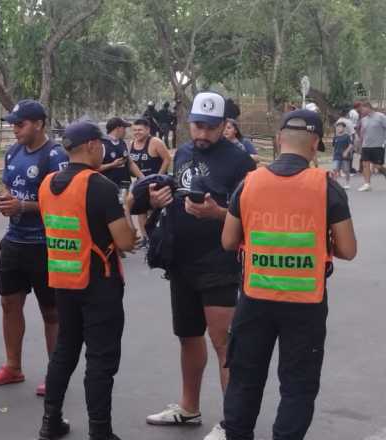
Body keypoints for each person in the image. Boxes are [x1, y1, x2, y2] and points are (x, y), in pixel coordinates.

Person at [220, 110, 357, 440]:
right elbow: (348, 249)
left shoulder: (249, 184)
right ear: (315, 143)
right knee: (297, 386)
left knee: (245, 379)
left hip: (254, 300)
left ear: (280, 139)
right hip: (305, 304)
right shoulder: (327, 188)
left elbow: (228, 241)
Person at [141, 92, 256, 440]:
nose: (202, 134)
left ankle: (233, 423)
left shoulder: (240, 161)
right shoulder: (184, 152)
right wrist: (157, 200)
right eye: (197, 126)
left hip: (219, 262)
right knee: (188, 337)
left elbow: (252, 217)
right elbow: (177, 193)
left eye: (210, 127)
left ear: (224, 126)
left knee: (223, 342)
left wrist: (218, 213)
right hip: (182, 260)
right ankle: (188, 408)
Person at [35, 122, 136, 440]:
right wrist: (129, 209)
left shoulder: (47, 184)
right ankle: (100, 431)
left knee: (64, 351)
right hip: (98, 283)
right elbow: (125, 242)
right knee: (100, 360)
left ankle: (50, 421)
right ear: (92, 145)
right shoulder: (99, 185)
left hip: (63, 280)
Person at [0, 99, 69, 396]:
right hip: (14, 242)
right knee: (9, 304)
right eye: (12, 124)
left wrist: (23, 206)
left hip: (45, 245)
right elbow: (7, 185)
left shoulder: (55, 156)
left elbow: (63, 202)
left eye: (19, 124)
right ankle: (13, 366)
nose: (15, 129)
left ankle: (55, 374)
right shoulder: (13, 152)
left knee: (52, 311)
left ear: (39, 124)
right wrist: (6, 198)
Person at [128, 118, 172, 242]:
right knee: (141, 210)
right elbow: (131, 163)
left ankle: (157, 237)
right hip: (141, 183)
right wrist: (140, 178)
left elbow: (167, 159)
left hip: (157, 183)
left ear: (148, 130)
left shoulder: (155, 142)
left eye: (140, 130)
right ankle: (145, 238)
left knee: (156, 210)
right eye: (135, 130)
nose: (137, 132)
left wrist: (158, 177)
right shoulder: (131, 143)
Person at [354, 101, 386, 191]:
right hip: (366, 146)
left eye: (362, 109)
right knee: (365, 164)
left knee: (378, 166)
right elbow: (362, 133)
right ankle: (367, 184)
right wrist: (360, 144)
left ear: (368, 107)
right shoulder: (363, 119)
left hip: (378, 145)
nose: (361, 111)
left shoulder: (381, 117)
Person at [331, 122, 354, 189]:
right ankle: (334, 184)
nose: (339, 128)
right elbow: (333, 147)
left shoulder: (347, 136)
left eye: (340, 127)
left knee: (346, 170)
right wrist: (333, 154)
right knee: (335, 169)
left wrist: (346, 152)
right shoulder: (335, 137)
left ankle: (347, 183)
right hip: (336, 156)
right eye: (338, 127)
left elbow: (351, 145)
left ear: (344, 128)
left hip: (345, 156)